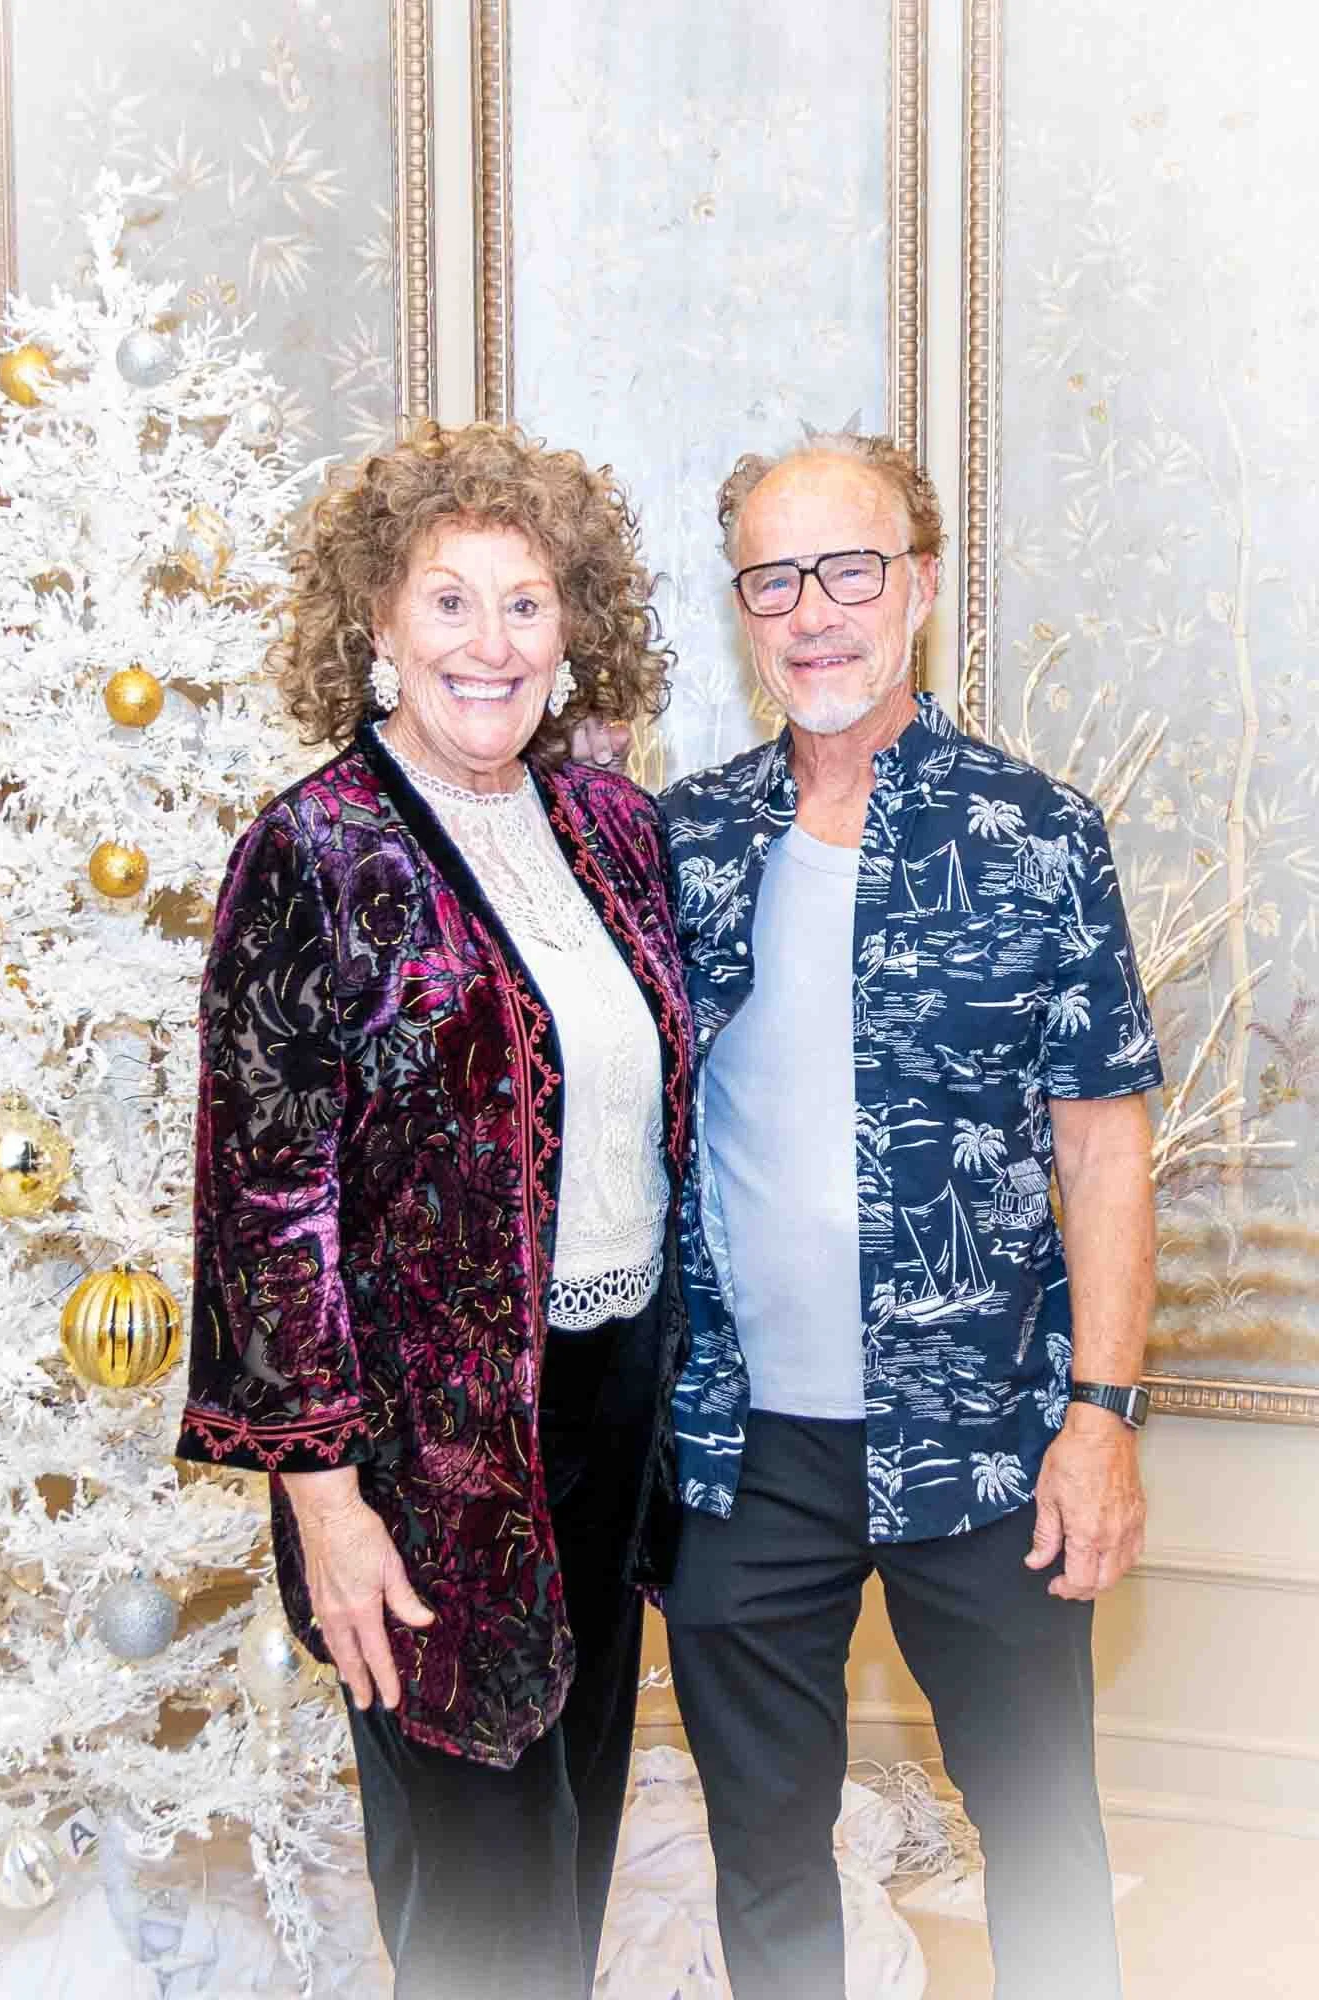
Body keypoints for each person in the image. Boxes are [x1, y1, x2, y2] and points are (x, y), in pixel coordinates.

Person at [176, 421, 693, 2000]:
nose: (491, 643)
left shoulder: (608, 829)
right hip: (416, 1455)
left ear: (570, 628)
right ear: (379, 627)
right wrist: (323, 1507)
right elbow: (263, 1201)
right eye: (449, 601)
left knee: (573, 1840)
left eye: (526, 603)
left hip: (610, 1406)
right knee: (476, 1893)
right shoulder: (311, 853)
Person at [660, 433, 1161, 2000]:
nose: (814, 610)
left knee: (1044, 1841)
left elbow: (1105, 1153)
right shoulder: (681, 843)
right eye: (774, 577)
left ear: (921, 586)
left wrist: (1103, 1418)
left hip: (990, 1436)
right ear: (743, 606)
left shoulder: (1038, 835)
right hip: (746, 1458)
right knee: (765, 1859)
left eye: (850, 569)